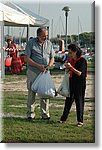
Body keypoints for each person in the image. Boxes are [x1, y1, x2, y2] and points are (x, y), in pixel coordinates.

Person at [24, 27, 55, 121]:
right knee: (31, 92)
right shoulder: (30, 43)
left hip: (45, 72)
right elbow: (26, 58)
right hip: (33, 71)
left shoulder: (49, 44)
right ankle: (30, 114)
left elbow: (52, 57)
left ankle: (45, 114)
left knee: (44, 93)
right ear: (38, 35)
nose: (45, 38)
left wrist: (49, 65)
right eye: (43, 36)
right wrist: (38, 66)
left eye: (46, 36)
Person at [59, 44, 87, 126]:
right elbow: (68, 71)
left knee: (79, 101)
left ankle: (80, 120)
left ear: (75, 52)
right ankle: (63, 119)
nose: (69, 54)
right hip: (71, 81)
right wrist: (67, 68)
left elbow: (80, 73)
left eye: (71, 52)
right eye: (69, 52)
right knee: (68, 100)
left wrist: (71, 68)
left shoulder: (82, 60)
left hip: (80, 83)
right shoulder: (71, 60)